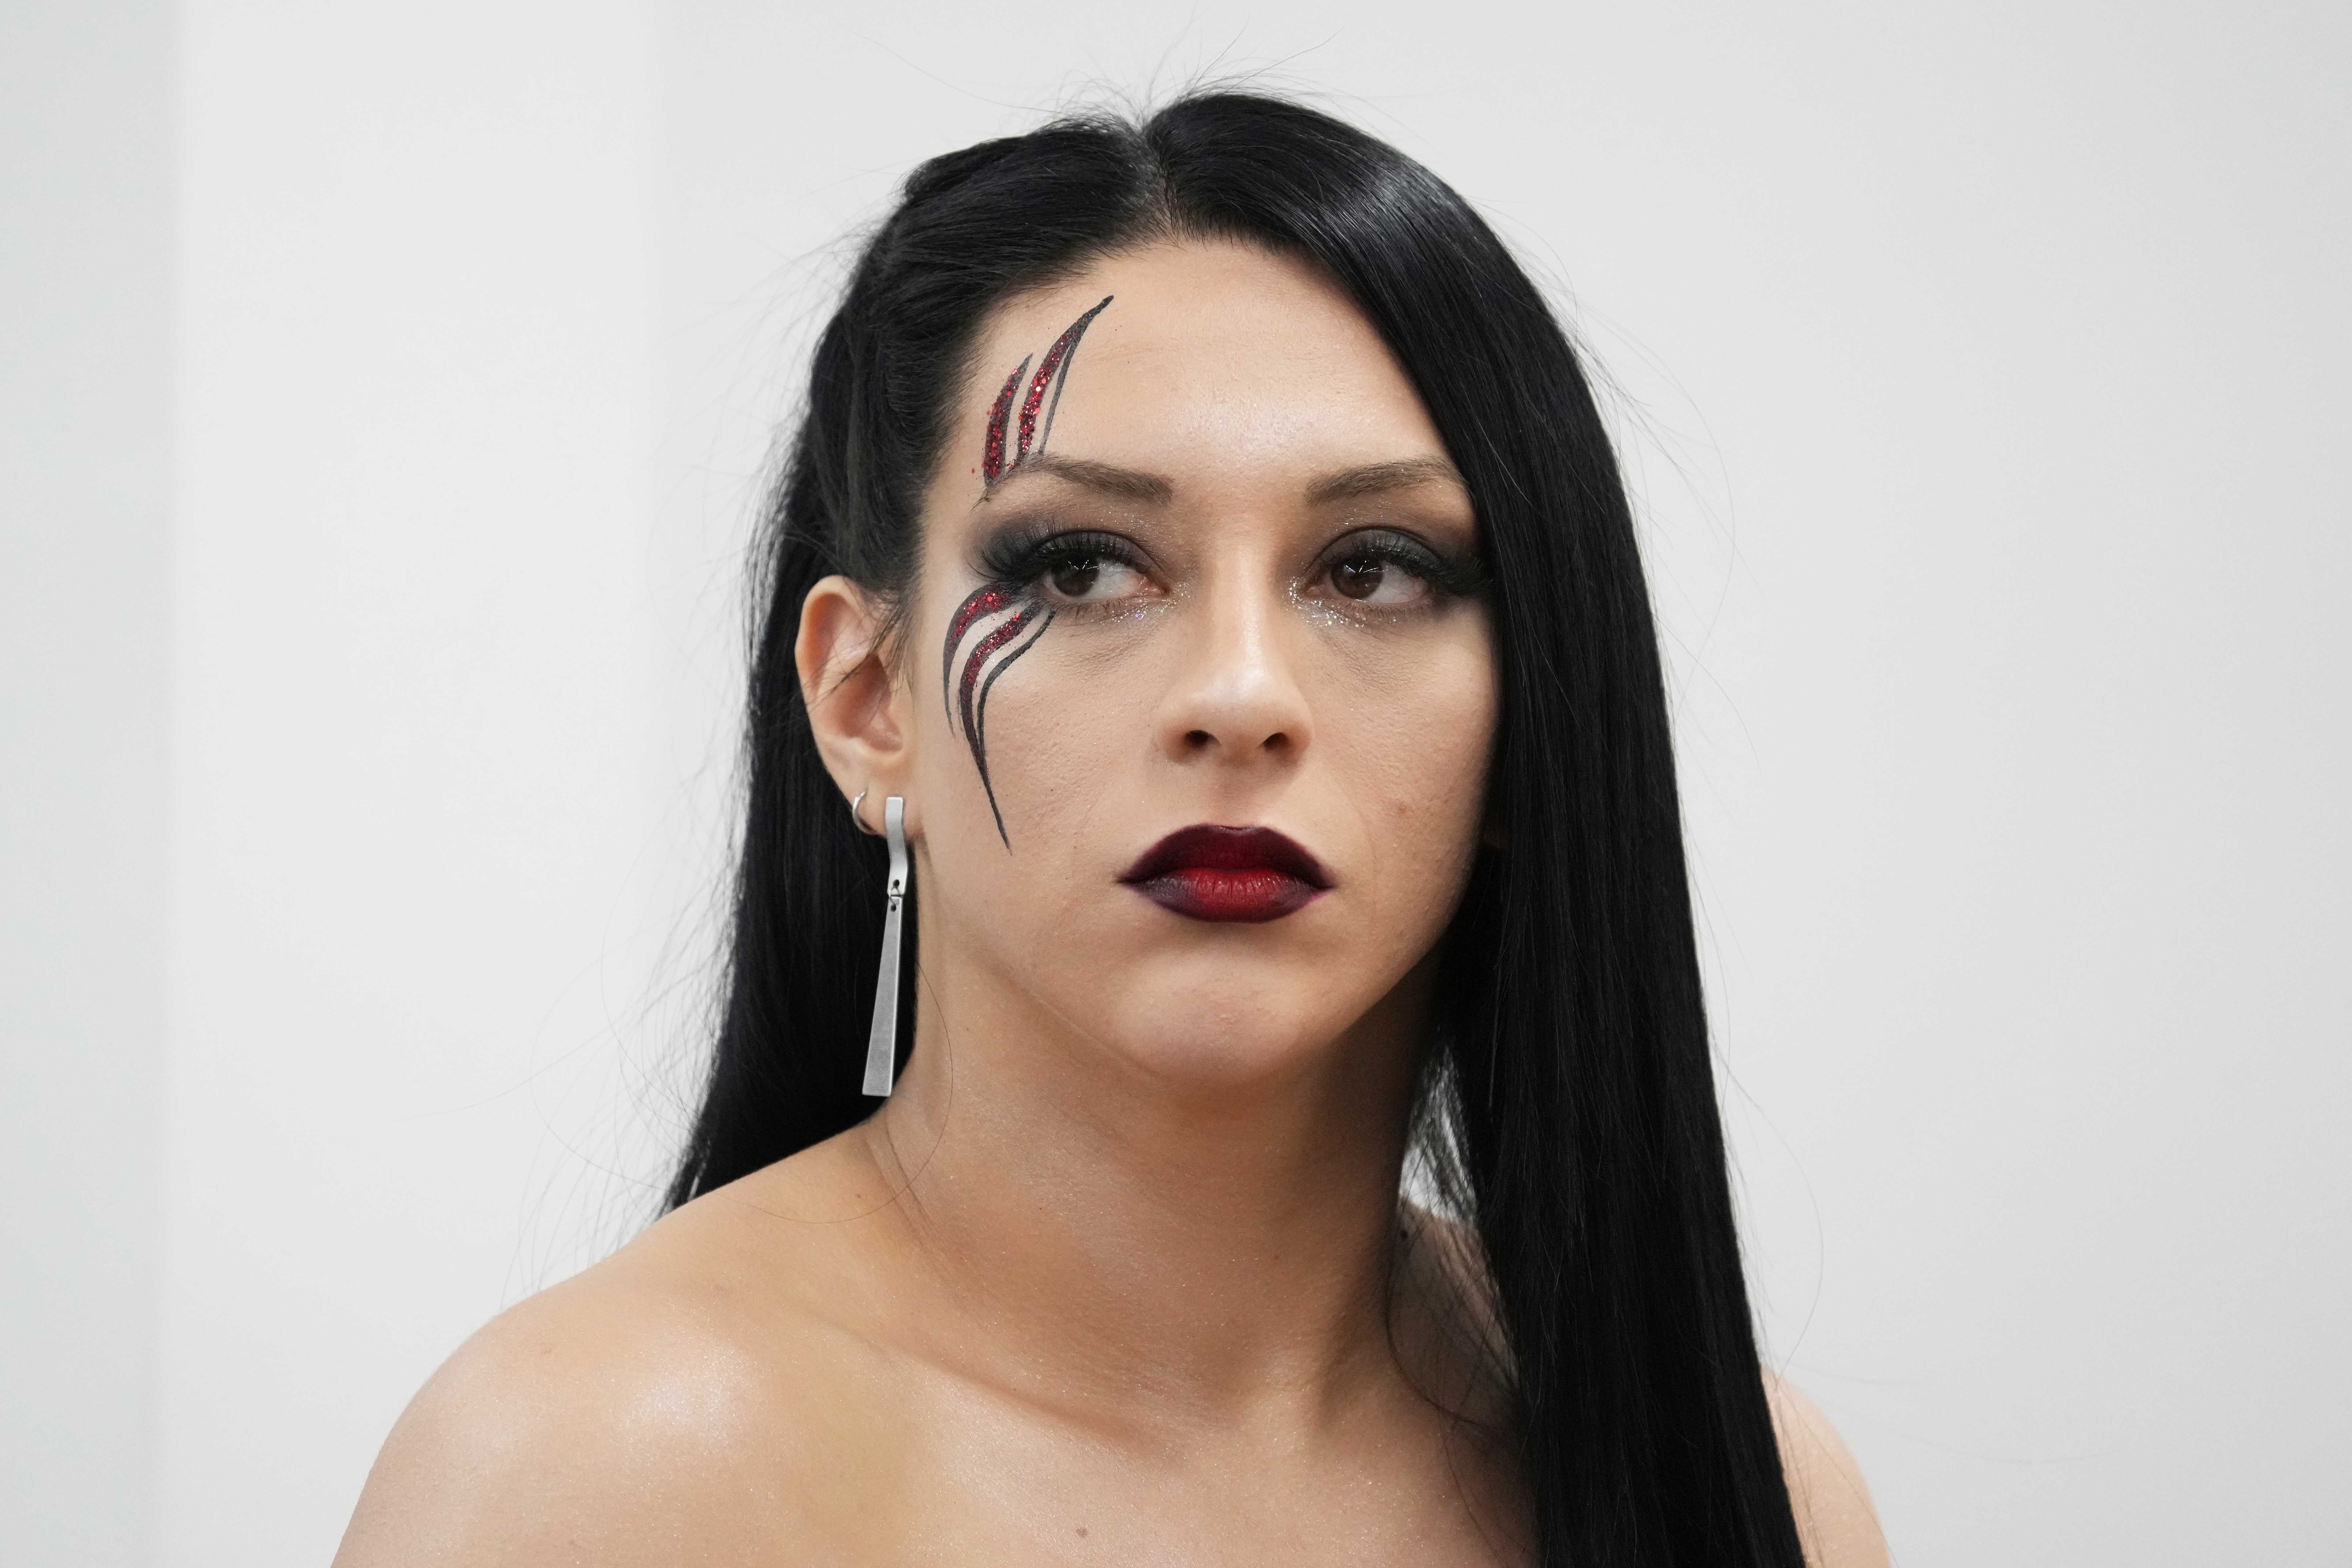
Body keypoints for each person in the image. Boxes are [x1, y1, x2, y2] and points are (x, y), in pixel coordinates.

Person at [334, 92, 1888, 1566]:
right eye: (1081, 566)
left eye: (1373, 567)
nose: (1240, 694)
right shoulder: (595, 1474)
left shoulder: (1748, 1483)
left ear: (1537, 710)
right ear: (868, 702)